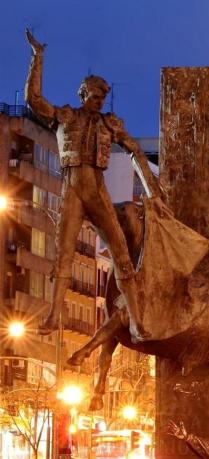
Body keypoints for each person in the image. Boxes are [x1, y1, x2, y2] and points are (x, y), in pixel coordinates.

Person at [24, 28, 163, 339]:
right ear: (83, 94)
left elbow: (135, 151)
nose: (99, 101)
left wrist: (153, 191)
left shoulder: (109, 124)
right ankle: (54, 315)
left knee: (122, 255)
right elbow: (33, 99)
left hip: (97, 190)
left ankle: (137, 321)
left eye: (102, 97)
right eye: (94, 96)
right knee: (64, 254)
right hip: (72, 189)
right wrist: (38, 57)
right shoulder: (63, 117)